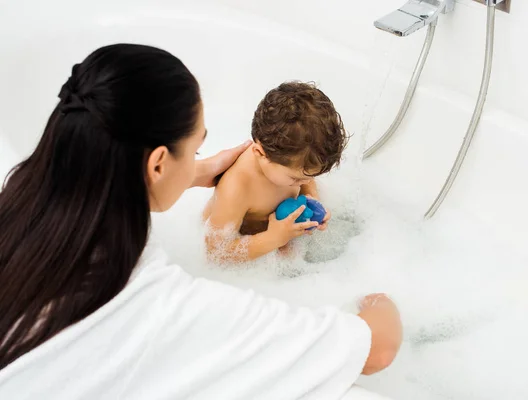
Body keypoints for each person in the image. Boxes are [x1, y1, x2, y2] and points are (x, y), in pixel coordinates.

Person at [0, 44, 402, 399]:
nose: (203, 159)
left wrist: (194, 171)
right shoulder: (158, 301)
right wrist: (379, 301)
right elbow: (377, 350)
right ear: (157, 164)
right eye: (197, 147)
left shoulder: (19, 201)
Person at [203, 81, 348, 263]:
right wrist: (273, 239)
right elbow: (216, 253)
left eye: (309, 177)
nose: (303, 183)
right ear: (260, 153)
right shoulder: (237, 187)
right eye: (296, 178)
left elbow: (305, 179)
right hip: (245, 248)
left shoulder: (291, 163)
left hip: (276, 237)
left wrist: (312, 199)